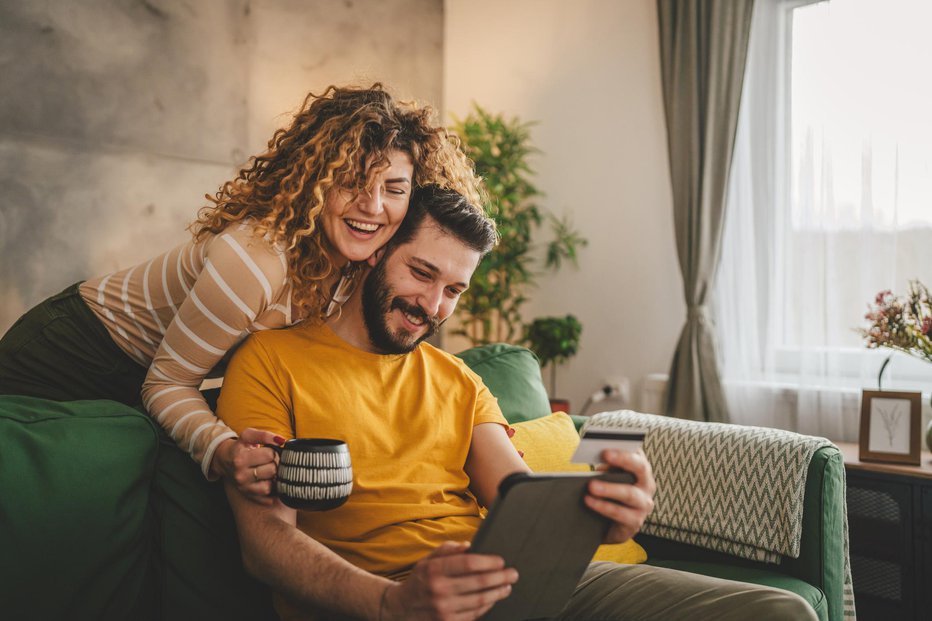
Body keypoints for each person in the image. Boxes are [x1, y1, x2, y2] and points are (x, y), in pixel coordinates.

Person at [216, 186, 818, 621]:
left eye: (454, 289)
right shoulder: (271, 361)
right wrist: (389, 602)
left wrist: (601, 514)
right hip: (394, 598)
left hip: (519, 587)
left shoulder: (457, 379)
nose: (433, 305)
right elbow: (265, 545)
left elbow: (519, 496)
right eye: (421, 274)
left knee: (779, 610)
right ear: (374, 253)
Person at [0, 84, 482, 500]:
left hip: (145, 378)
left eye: (394, 189)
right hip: (70, 351)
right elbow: (166, 384)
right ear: (316, 179)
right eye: (352, 181)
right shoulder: (257, 261)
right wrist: (225, 450)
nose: (372, 206)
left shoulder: (361, 263)